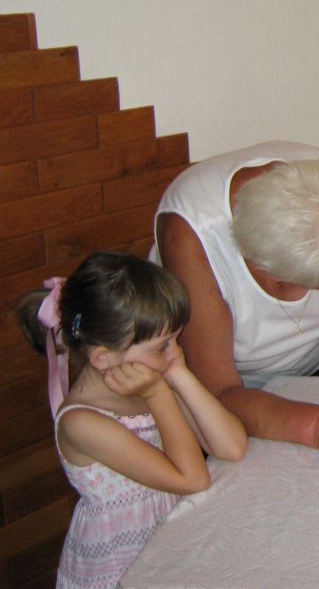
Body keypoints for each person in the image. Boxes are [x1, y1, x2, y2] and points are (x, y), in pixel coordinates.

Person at [151, 141, 319, 466]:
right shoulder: (192, 235)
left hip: (311, 376)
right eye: (311, 283)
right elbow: (218, 394)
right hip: (228, 397)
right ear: (265, 266)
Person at [16, 252, 248, 589]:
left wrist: (178, 373)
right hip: (120, 565)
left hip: (166, 543)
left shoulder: (151, 374)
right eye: (163, 345)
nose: (176, 352)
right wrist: (158, 394)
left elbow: (232, 446)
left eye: (176, 339)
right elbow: (192, 478)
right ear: (103, 357)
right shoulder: (82, 422)